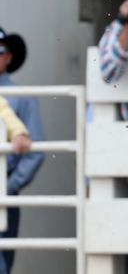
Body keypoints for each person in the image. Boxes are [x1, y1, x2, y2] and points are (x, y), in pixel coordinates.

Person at [0, 27, 43, 274]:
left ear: (8, 56)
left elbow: (35, 150)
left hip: (3, 187)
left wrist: (9, 187)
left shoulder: (21, 97)